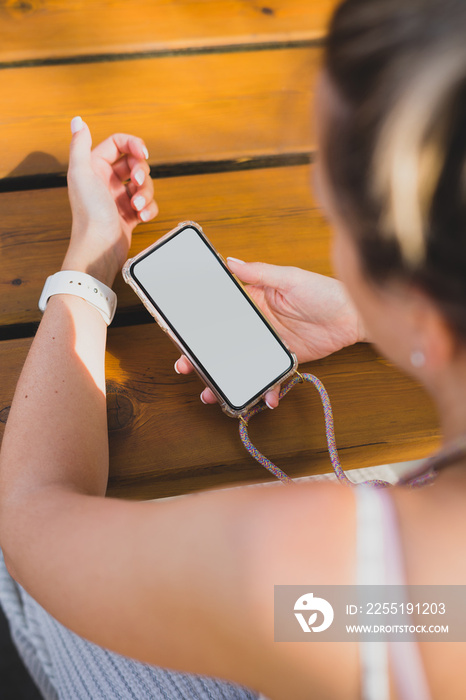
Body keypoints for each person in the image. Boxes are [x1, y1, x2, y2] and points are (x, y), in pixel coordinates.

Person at [1, 0, 466, 697]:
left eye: (329, 214)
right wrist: (366, 313)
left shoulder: (340, 576)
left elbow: (36, 515)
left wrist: (91, 265)